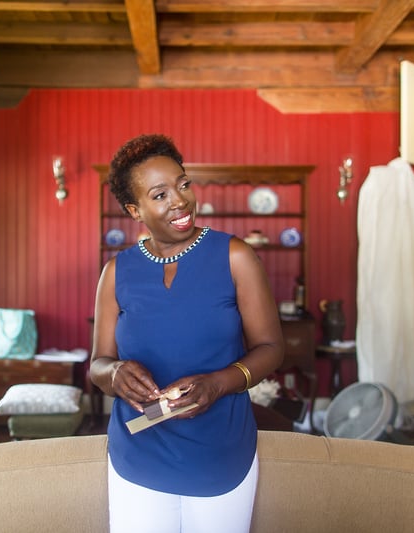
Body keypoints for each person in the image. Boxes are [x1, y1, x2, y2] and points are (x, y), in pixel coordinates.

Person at [90, 133, 284, 533]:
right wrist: (114, 374)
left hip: (221, 453)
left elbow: (271, 348)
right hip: (137, 453)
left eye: (183, 185)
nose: (180, 201)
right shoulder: (115, 273)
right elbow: (98, 363)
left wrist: (217, 383)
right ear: (134, 209)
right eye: (159, 194)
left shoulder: (235, 256)